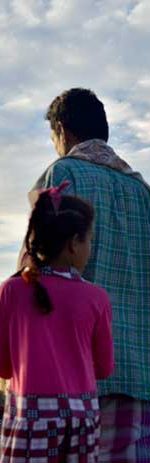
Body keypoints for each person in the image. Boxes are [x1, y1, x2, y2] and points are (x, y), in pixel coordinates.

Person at [22, 88, 150, 463]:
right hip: (137, 362)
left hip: (70, 362)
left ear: (62, 130)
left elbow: (36, 265)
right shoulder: (143, 193)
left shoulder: (64, 174)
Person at [1, 185, 114, 462]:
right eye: (89, 240)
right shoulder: (96, 298)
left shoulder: (12, 291)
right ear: (74, 243)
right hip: (81, 422)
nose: (89, 248)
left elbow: (3, 367)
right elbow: (103, 368)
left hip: (29, 422)